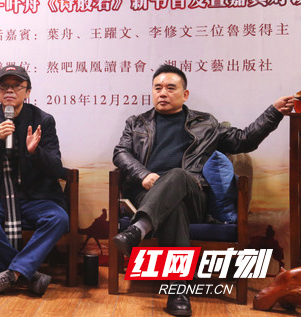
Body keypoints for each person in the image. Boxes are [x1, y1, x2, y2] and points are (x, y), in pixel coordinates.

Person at [112, 64, 294, 316]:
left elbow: (244, 140)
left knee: (177, 175)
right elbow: (120, 152)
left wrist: (273, 113)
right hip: (148, 195)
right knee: (173, 208)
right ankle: (178, 292)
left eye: (170, 88)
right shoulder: (136, 123)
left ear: (185, 94)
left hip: (193, 196)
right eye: (158, 88)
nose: (162, 93)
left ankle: (139, 228)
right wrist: (142, 174)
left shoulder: (206, 123)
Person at [0, 65, 69, 297]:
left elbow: (56, 168)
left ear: (27, 91)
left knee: (58, 218)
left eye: (16, 86)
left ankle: (11, 275)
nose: (10, 90)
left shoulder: (44, 120)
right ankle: (27, 274)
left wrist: (35, 152)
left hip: (34, 196)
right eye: (4, 86)